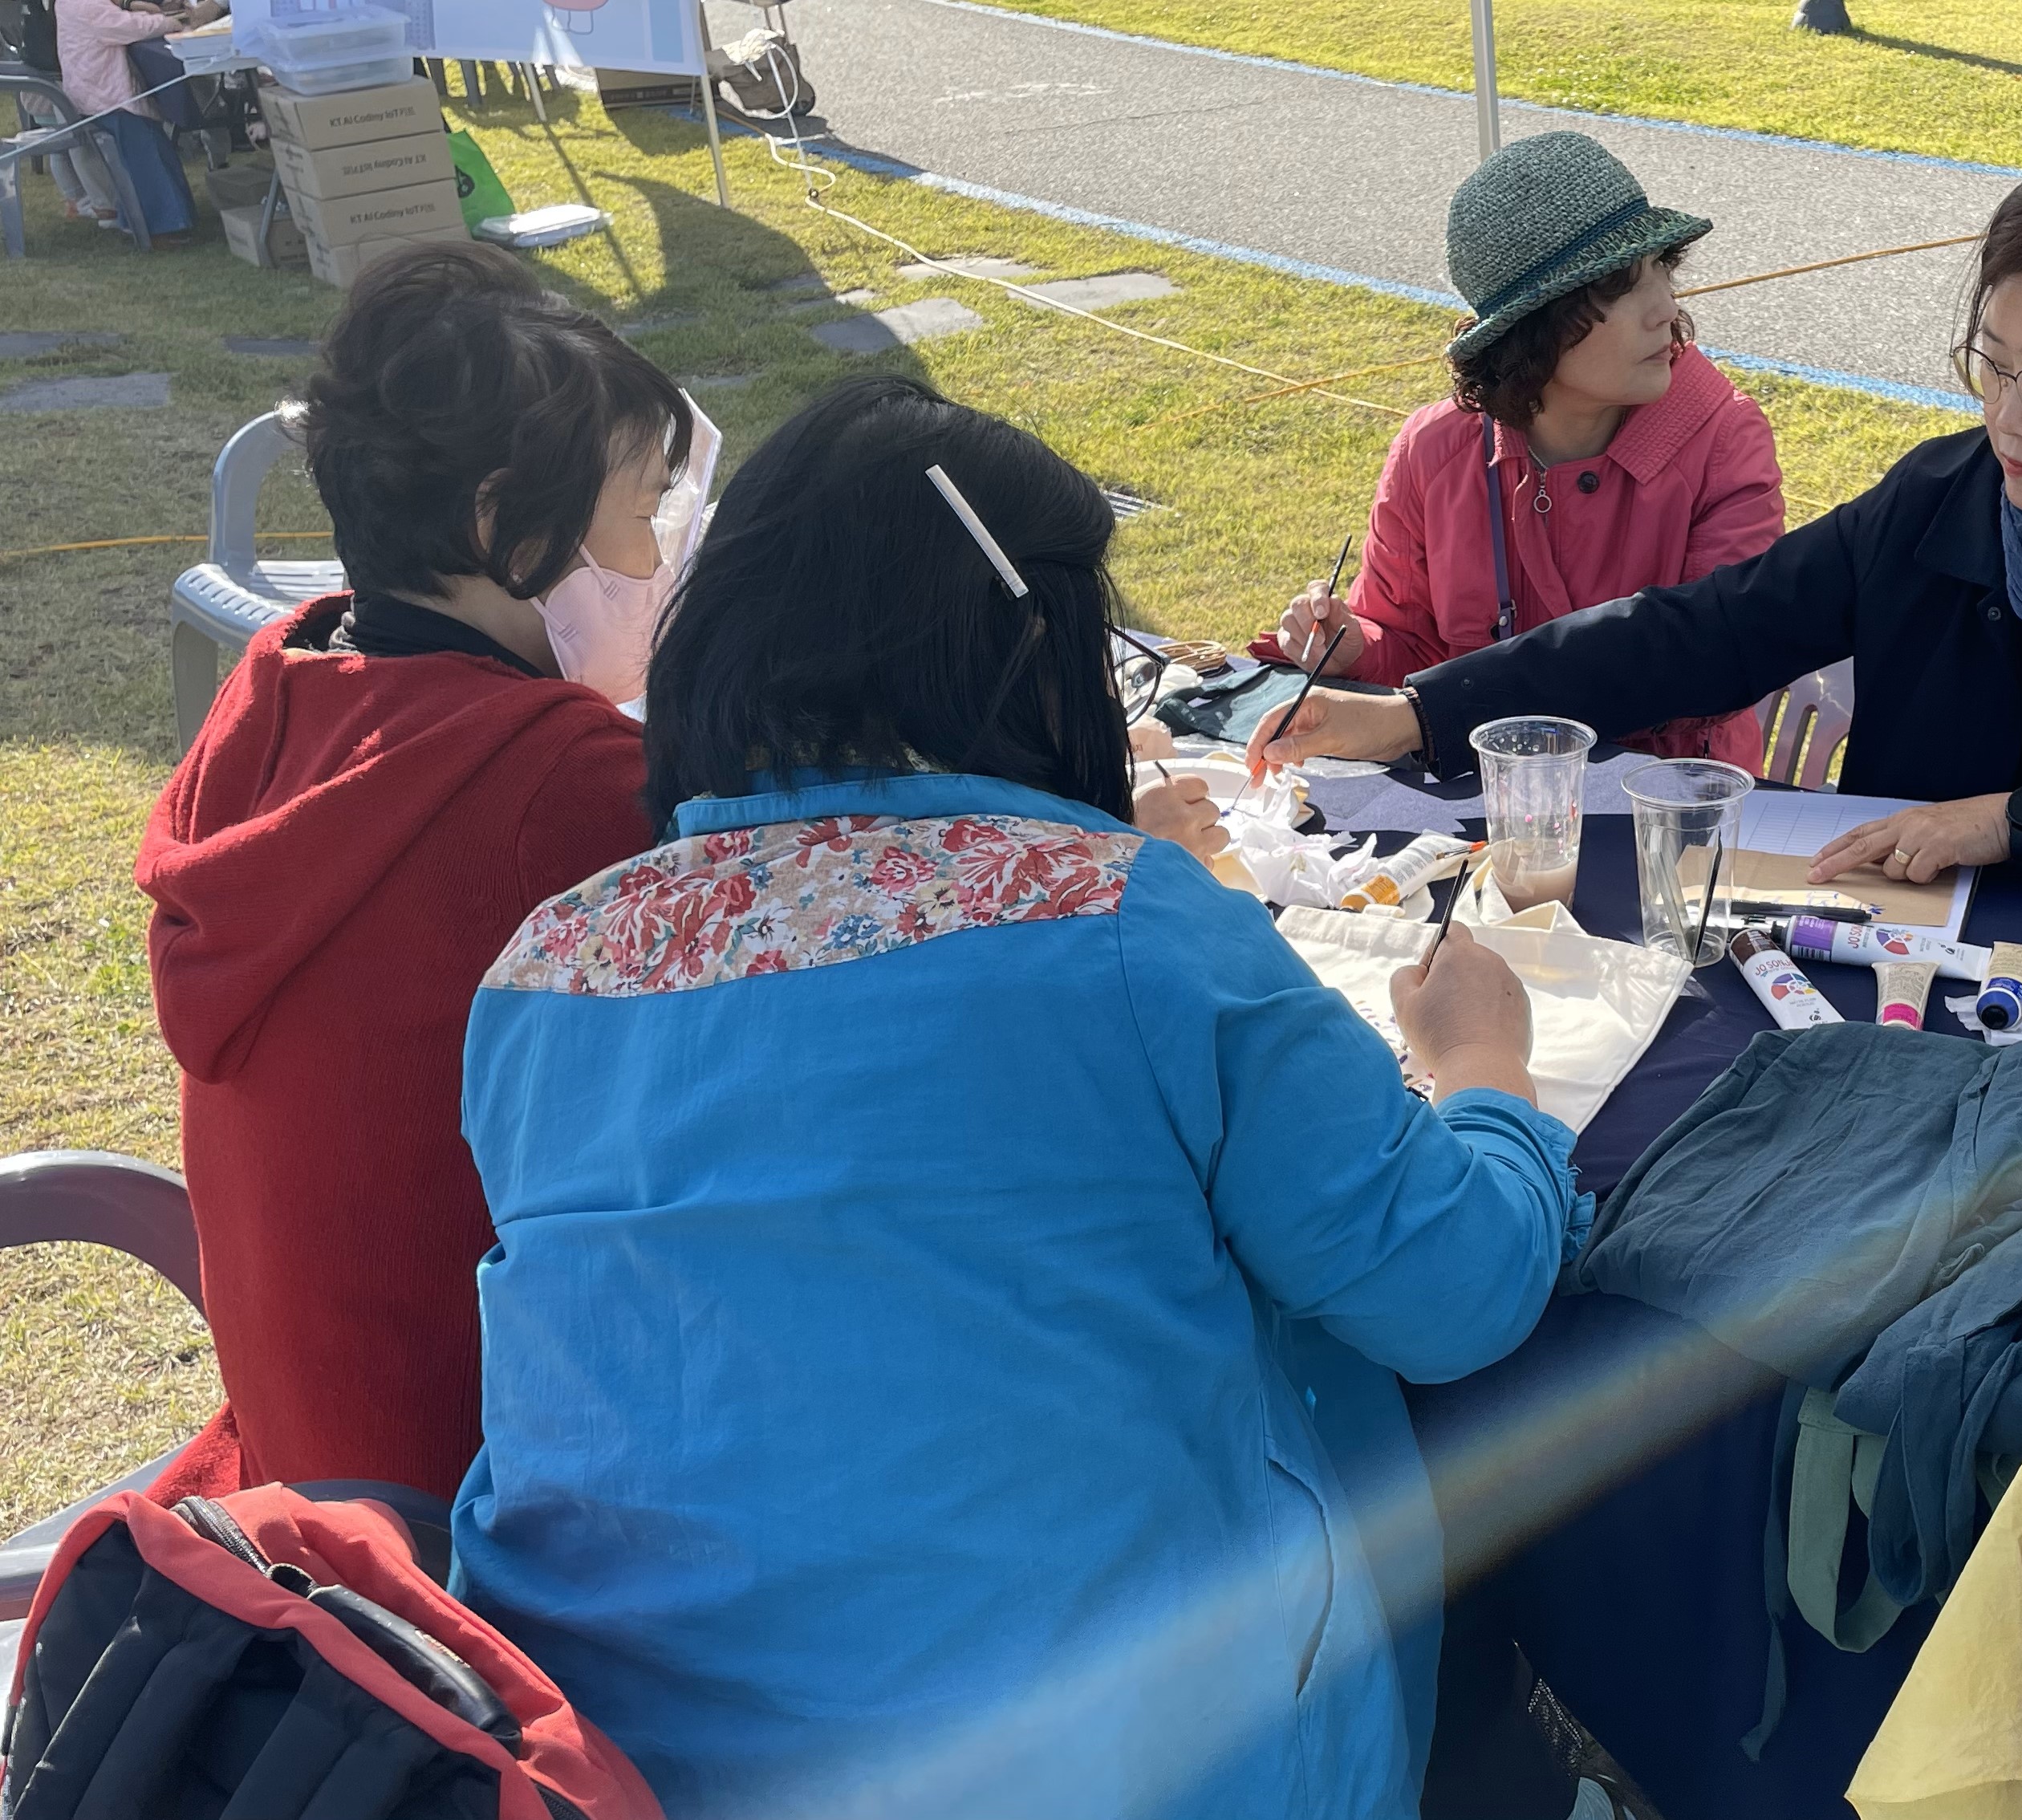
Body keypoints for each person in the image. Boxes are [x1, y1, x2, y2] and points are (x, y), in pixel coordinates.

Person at [447, 376, 1582, 1819]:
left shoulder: (546, 969)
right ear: (1028, 651)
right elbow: (1456, 1290)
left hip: (621, 1759)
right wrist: (1484, 1068)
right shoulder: (1126, 926)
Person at [1260, 139, 2022, 903]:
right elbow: (1698, 632)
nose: (2007, 417)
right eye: (1990, 363)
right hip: (1899, 976)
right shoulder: (1941, 501)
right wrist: (1419, 714)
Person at [133, 242, 694, 1507]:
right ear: (503, 522)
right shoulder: (560, 783)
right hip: (474, 1496)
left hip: (303, 1453)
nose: (656, 564)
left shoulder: (276, 687)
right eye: (641, 515)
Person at [1265, 131, 1786, 770]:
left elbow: (1705, 670)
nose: (1665, 308)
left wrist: (1437, 709)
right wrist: (1356, 648)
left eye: (1663, 268)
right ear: (1533, 322)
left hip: (1668, 802)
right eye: (1619, 285)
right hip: (1485, 798)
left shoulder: (1724, 440)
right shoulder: (1433, 450)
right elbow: (1407, 647)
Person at [53, 0, 217, 246]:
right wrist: (169, 22)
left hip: (94, 92)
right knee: (146, 151)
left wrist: (140, 9)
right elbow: (127, 26)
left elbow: (119, 18)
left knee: (154, 145)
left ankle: (158, 218)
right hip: (106, 97)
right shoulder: (85, 4)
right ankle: (163, 226)